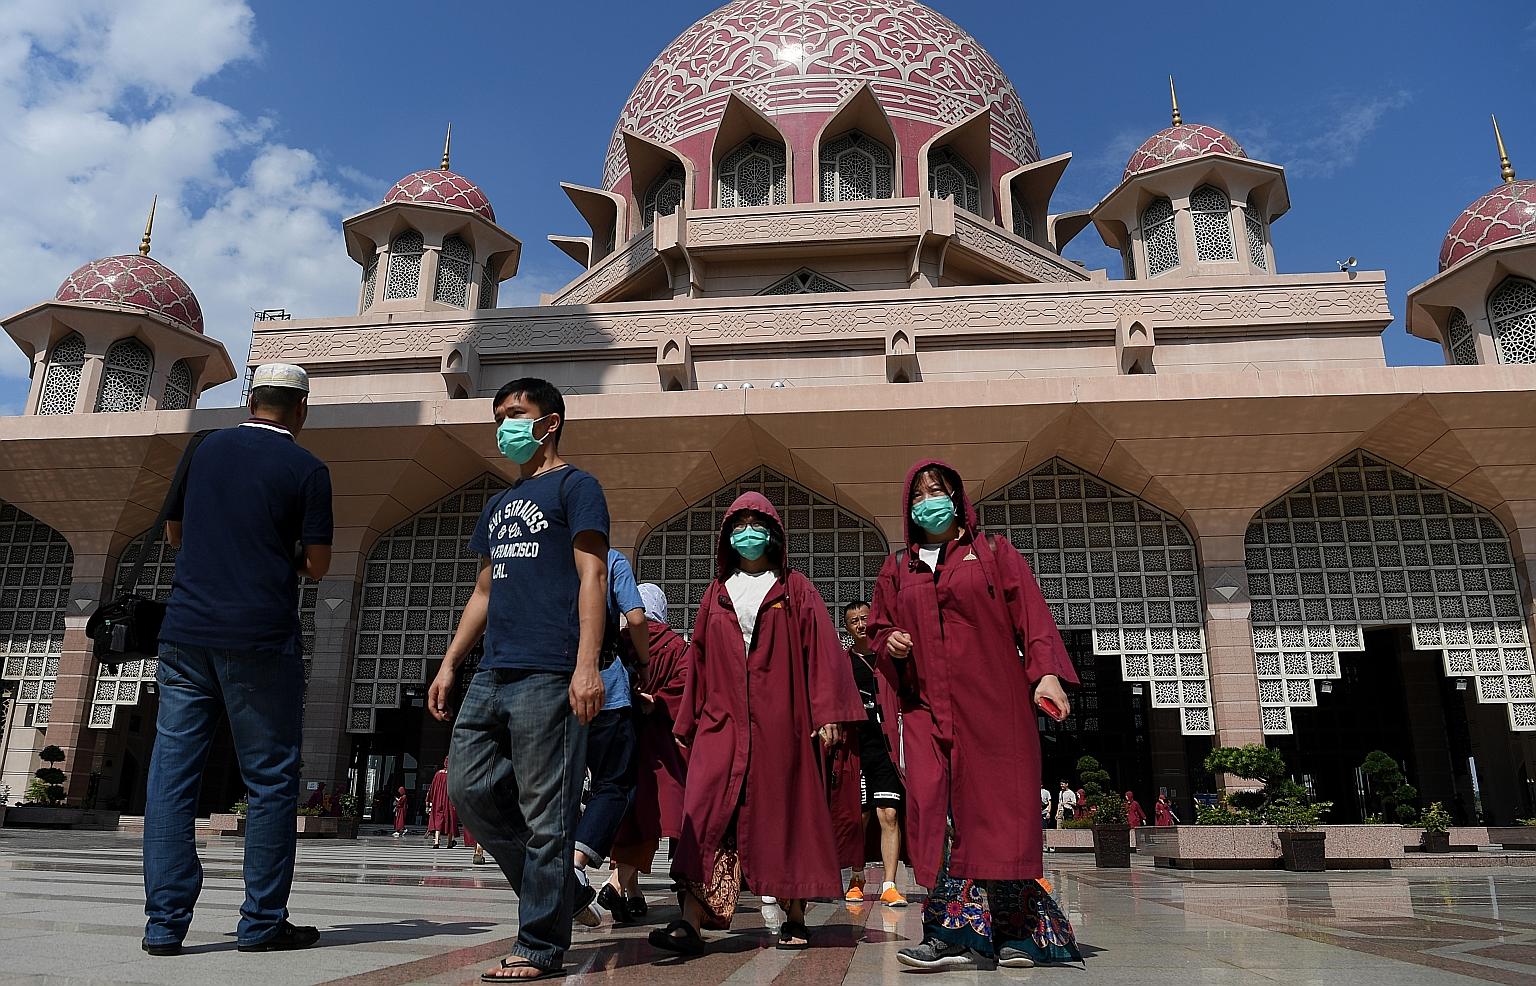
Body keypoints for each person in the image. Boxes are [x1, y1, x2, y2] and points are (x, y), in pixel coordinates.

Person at [142, 362, 331, 955]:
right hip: (260, 636)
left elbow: (173, 533)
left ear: (251, 399)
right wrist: (281, 563)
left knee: (172, 778)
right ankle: (261, 923)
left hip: (186, 634)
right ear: (301, 410)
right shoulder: (308, 468)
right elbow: (320, 564)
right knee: (271, 781)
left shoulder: (204, 448)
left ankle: (164, 925)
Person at [867, 459, 1082, 971]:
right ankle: (947, 933)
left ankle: (1018, 934)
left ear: (957, 498)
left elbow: (1031, 615)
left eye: (936, 492)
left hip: (993, 707)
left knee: (998, 815)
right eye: (917, 496)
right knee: (928, 811)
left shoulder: (992, 553)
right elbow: (878, 629)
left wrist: (1045, 673)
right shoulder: (899, 568)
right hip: (926, 712)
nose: (927, 503)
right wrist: (889, 642)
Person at [430, 377, 611, 982]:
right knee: (470, 791)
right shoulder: (499, 502)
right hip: (493, 670)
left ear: (550, 421)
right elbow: (484, 589)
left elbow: (593, 578)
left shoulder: (576, 487)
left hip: (550, 668)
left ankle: (539, 944)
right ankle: (562, 891)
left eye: (516, 413)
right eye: (500, 415)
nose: (505, 424)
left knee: (547, 813)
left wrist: (587, 665)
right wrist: (452, 661)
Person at [649, 492, 863, 955]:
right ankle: (689, 921)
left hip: (781, 722)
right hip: (722, 723)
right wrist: (689, 722)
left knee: (784, 813)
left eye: (756, 523)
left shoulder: (794, 588)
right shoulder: (717, 591)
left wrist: (827, 712)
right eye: (739, 524)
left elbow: (822, 651)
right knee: (704, 815)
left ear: (773, 532)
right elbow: (699, 659)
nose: (748, 532)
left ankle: (795, 914)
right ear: (728, 535)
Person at [573, 548, 652, 925]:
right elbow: (636, 618)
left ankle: (548, 870)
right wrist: (645, 661)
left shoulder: (541, 552)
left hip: (549, 688)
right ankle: (575, 862)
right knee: (614, 783)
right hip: (605, 690)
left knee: (557, 787)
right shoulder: (610, 558)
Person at [605, 583, 692, 918]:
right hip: (665, 745)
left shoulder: (618, 643)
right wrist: (658, 700)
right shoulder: (676, 646)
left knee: (630, 817)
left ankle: (629, 889)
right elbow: (688, 687)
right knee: (665, 813)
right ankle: (622, 885)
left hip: (624, 741)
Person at [832, 600, 907, 908]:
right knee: (859, 816)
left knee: (888, 813)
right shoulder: (842, 661)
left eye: (865, 617)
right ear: (847, 628)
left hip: (885, 747)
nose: (861, 624)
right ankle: (857, 876)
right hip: (855, 748)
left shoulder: (889, 658)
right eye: (854, 621)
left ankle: (889, 883)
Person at [427, 760, 458, 850]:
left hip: (438, 801)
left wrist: (429, 800)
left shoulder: (438, 774)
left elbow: (432, 788)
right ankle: (449, 843)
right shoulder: (453, 775)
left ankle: (436, 841)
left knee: (438, 819)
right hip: (449, 801)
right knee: (450, 819)